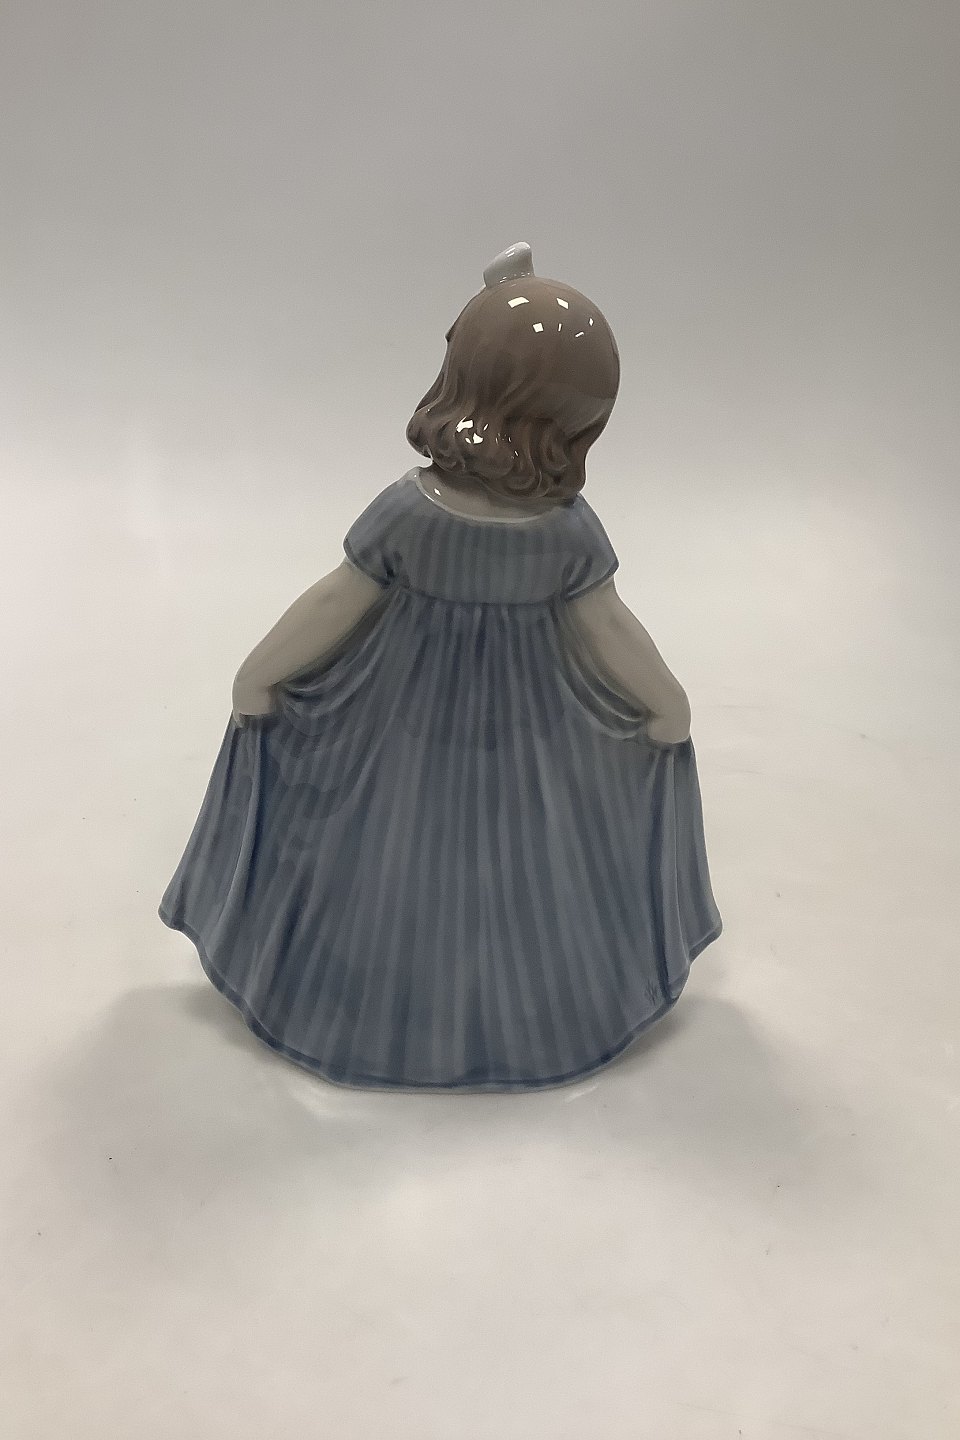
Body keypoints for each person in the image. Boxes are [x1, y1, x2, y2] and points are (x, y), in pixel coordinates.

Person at [160, 242, 722, 1090]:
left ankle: (380, 1006)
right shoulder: (566, 532)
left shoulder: (409, 512)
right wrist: (665, 703)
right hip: (531, 753)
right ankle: (525, 1014)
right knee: (520, 883)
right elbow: (609, 631)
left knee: (391, 874)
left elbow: (335, 604)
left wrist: (260, 673)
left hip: (396, 744)